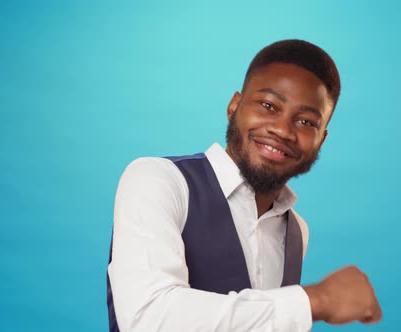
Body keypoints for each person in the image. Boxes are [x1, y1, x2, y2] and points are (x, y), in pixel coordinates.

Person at [106, 39, 382, 331]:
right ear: (234, 105)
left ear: (321, 140)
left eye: (305, 122)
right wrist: (315, 300)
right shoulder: (157, 180)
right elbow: (147, 318)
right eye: (268, 105)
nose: (282, 130)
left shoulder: (297, 232)